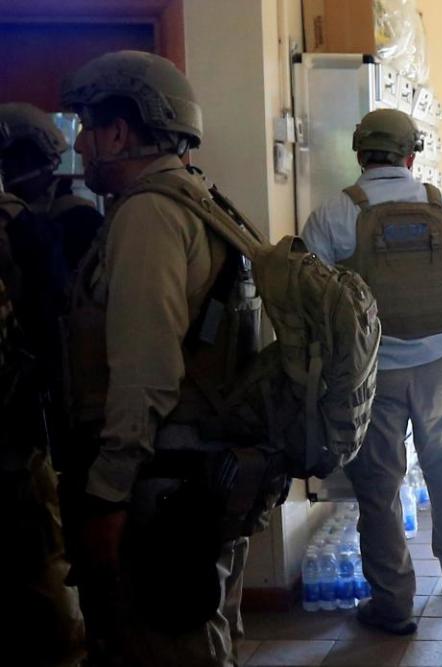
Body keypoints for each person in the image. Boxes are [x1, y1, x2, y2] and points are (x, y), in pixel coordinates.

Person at [59, 50, 269, 666]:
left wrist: (107, 494)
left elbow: (146, 372)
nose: (81, 141)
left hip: (162, 490)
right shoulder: (203, 201)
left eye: (88, 126)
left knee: (165, 648)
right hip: (202, 479)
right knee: (205, 639)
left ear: (120, 131)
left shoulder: (149, 214)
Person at [302, 108, 442, 635]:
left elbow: (313, 298)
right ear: (411, 155)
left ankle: (393, 603)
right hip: (438, 367)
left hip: (367, 373)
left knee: (378, 487)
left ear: (360, 154)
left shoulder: (335, 213)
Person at [0, 103, 96, 667]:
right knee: (47, 562)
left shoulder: (47, 224)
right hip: (35, 421)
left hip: (32, 419)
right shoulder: (54, 221)